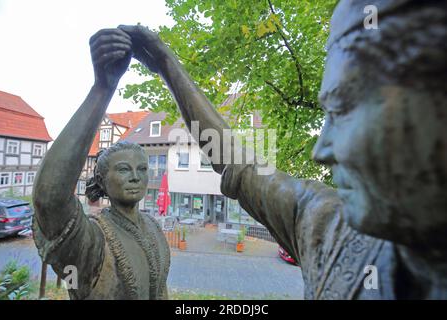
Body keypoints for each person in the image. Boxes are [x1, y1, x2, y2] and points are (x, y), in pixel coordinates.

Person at [118, 0, 447, 299]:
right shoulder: (329, 230)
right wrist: (166, 65)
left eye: (345, 108)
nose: (323, 150)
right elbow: (237, 162)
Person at [32, 29, 170, 300]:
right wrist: (102, 88)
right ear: (103, 180)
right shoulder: (93, 238)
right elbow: (49, 198)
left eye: (141, 169)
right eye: (123, 169)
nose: (135, 177)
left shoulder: (153, 228)